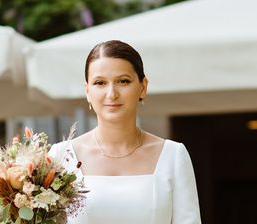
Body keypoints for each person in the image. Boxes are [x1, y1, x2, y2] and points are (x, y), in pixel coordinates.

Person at [50, 40, 201, 223]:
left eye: (123, 81)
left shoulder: (173, 155)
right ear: (87, 91)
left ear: (143, 87)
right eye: (100, 83)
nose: (112, 93)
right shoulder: (60, 157)